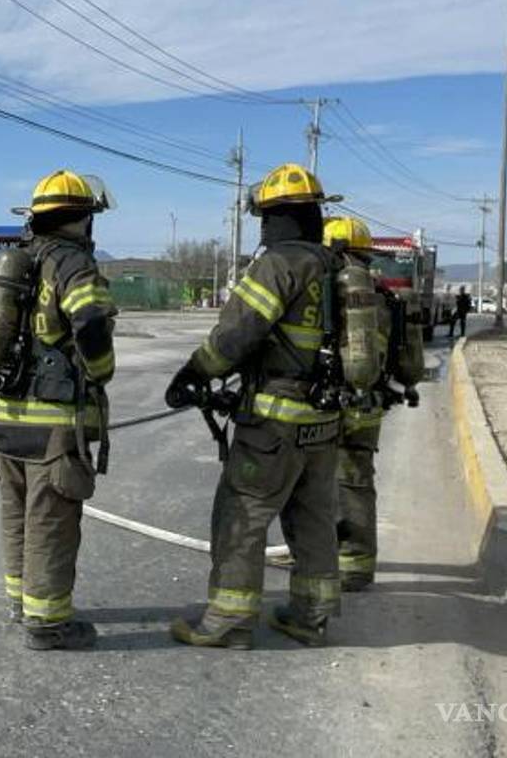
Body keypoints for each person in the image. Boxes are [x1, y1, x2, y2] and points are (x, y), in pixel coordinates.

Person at [165, 163, 344, 650]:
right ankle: (312, 616)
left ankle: (227, 621)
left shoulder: (277, 265)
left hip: (274, 419)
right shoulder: (335, 267)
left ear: (269, 217)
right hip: (326, 419)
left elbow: (236, 334)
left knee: (241, 515)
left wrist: (195, 373)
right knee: (313, 519)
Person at [0, 169, 117, 651]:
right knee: (50, 521)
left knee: (16, 513)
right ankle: (47, 623)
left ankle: (21, 602)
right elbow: (91, 323)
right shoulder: (73, 265)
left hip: (5, 419)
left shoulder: (13, 267)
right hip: (54, 427)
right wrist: (102, 370)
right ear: (83, 220)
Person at [323, 217, 423, 592]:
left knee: (319, 481)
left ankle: (337, 558)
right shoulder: (385, 295)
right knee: (357, 482)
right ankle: (358, 563)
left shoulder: (336, 292)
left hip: (334, 400)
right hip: (372, 402)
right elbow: (402, 358)